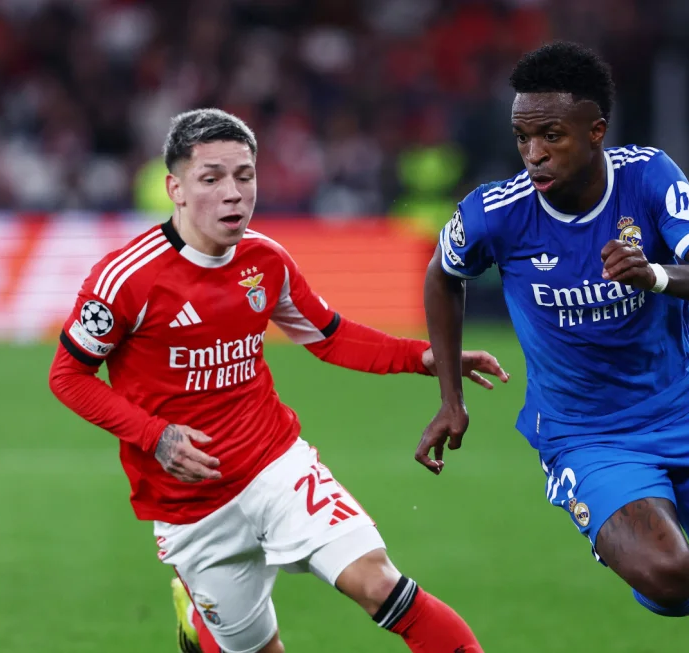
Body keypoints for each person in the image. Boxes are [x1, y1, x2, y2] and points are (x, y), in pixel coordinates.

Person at [418, 42, 689, 653]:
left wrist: (656, 274)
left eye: (551, 136)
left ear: (596, 131)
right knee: (668, 576)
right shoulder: (496, 213)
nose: (533, 154)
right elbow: (442, 274)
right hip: (587, 434)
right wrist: (450, 398)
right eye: (522, 138)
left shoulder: (648, 177)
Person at [49, 108, 505, 653]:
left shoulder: (266, 260)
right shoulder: (126, 278)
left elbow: (329, 335)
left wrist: (424, 356)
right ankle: (198, 616)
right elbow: (68, 375)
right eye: (211, 178)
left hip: (276, 466)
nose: (233, 194)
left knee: (379, 583)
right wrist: (156, 436)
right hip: (189, 504)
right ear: (175, 189)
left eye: (245, 176)